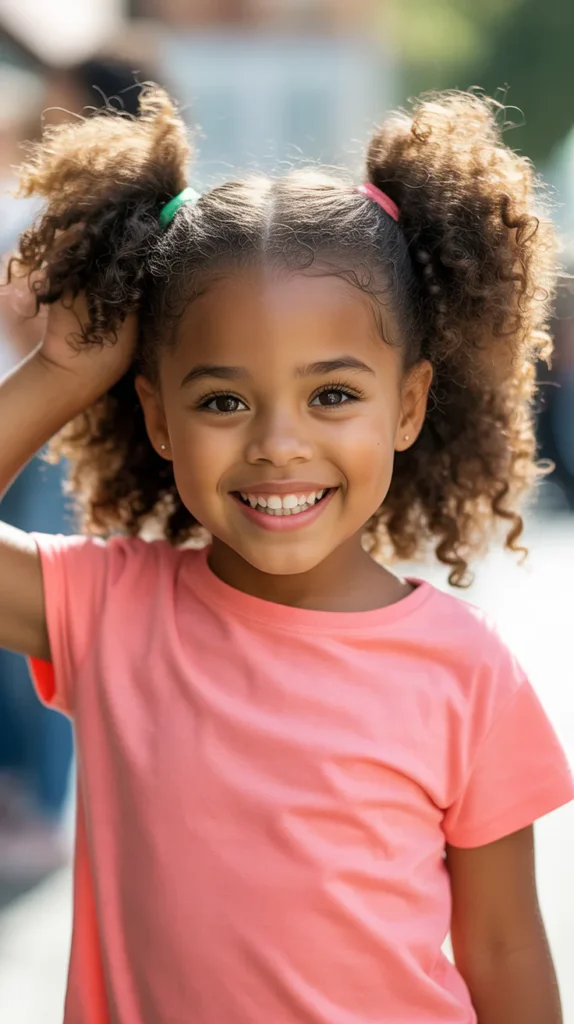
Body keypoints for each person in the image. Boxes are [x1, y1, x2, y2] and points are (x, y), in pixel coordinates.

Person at [0, 86, 572, 1023]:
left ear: (410, 405)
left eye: (333, 396)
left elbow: (506, 949)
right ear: (157, 417)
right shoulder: (105, 610)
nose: (277, 443)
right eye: (223, 401)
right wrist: (61, 373)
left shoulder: (469, 674)